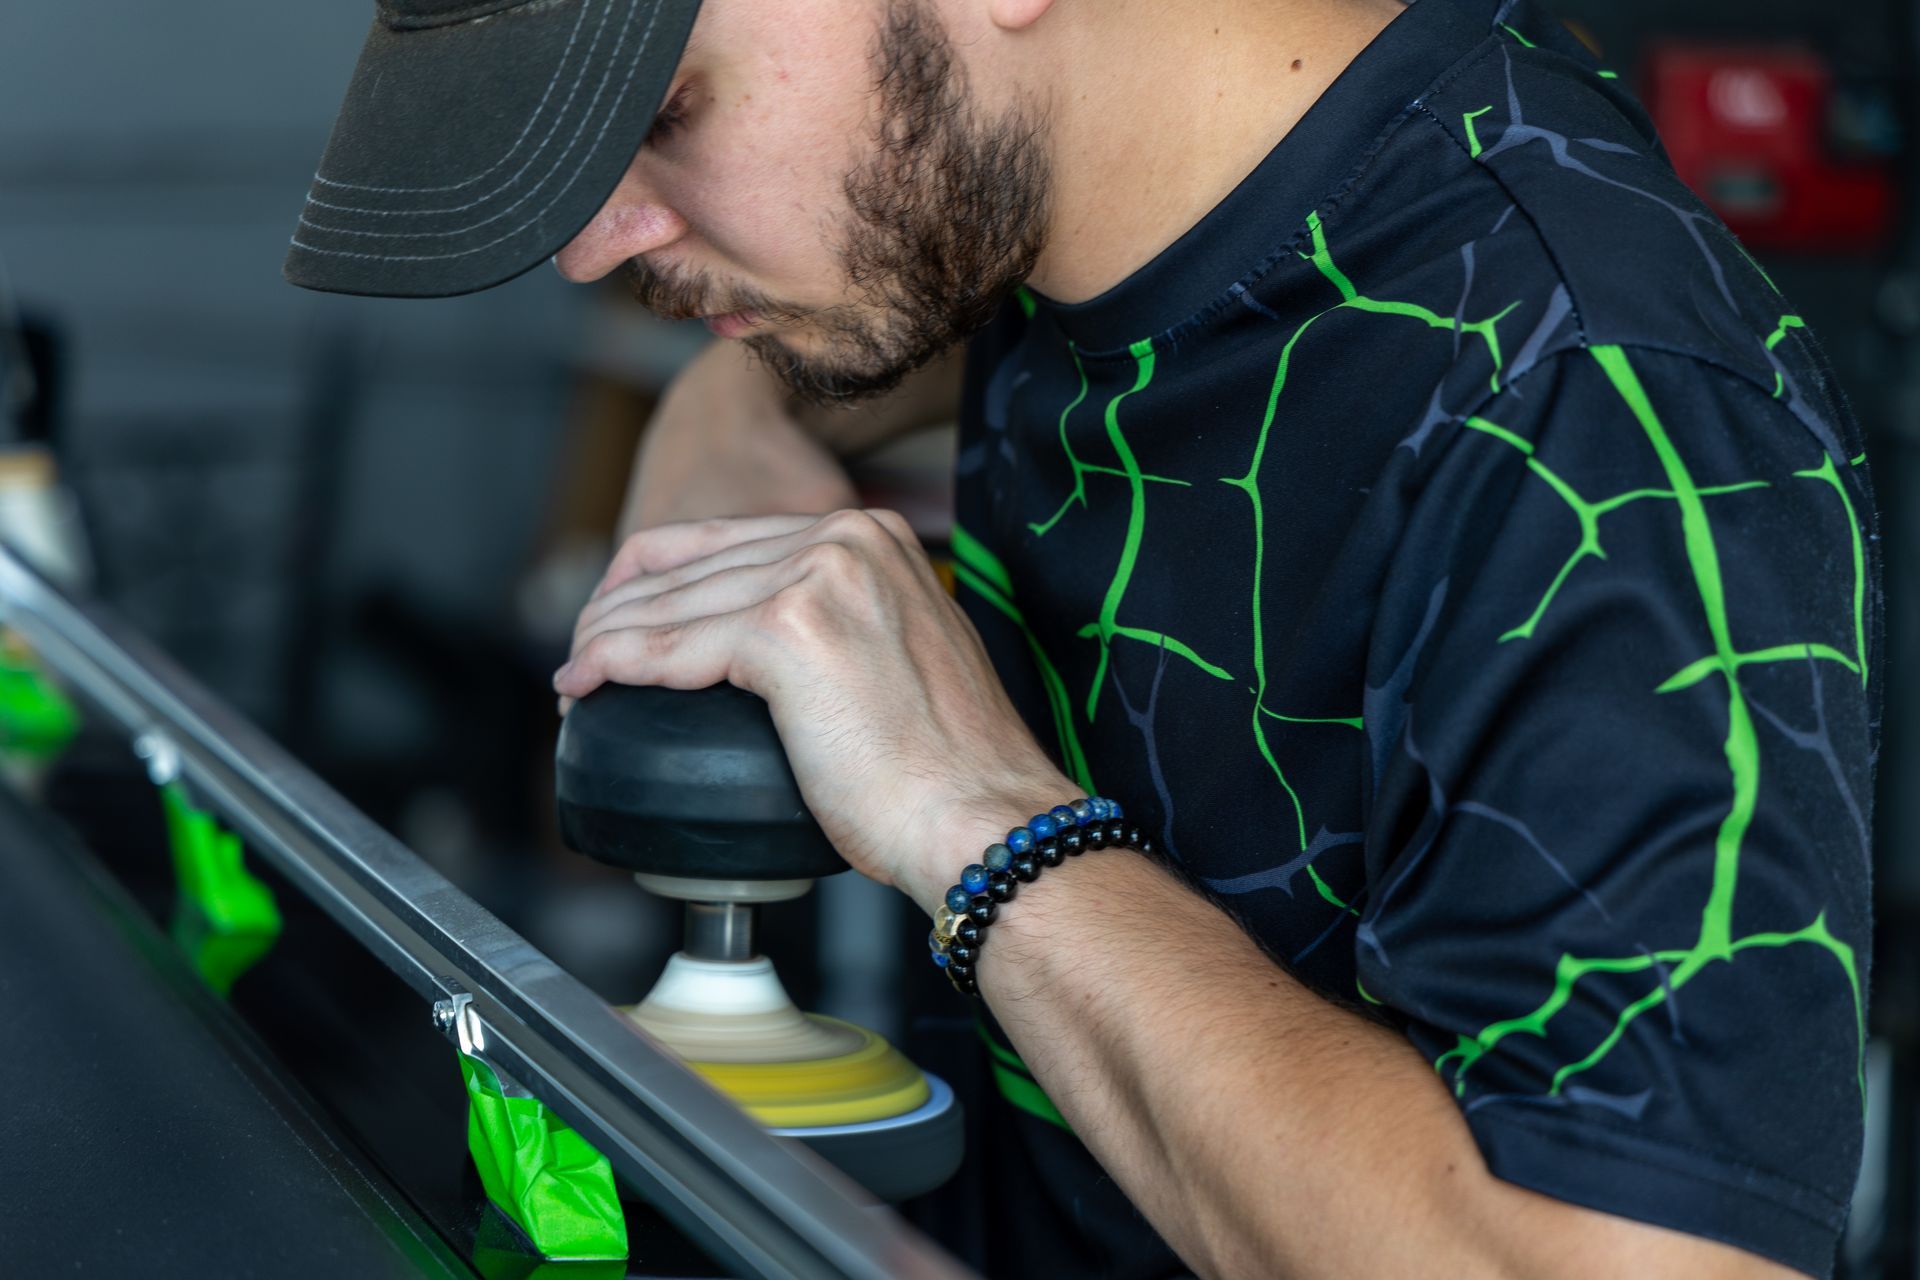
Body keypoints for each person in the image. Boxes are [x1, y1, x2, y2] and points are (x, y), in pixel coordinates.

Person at [286, 0, 1879, 1275]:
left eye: (666, 110)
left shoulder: (1596, 412)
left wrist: (985, 824)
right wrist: (726, 408)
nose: (593, 241)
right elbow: (956, 277)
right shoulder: (1066, 200)